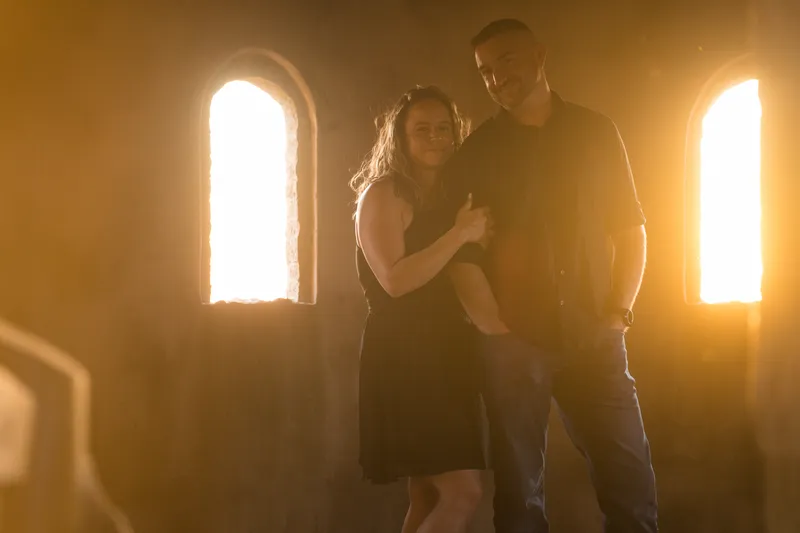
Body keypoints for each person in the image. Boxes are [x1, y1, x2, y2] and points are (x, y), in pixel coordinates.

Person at [439, 19, 659, 533]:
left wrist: (617, 316)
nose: (495, 79)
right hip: (515, 342)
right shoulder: (477, 152)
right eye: (485, 72)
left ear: (540, 56)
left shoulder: (596, 132)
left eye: (506, 62)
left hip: (595, 336)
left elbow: (631, 230)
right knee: (520, 497)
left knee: (631, 485)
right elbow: (463, 256)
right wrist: (496, 331)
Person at [350, 85, 492, 533]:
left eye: (444, 128)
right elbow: (395, 281)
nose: (435, 138)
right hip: (406, 358)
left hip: (447, 354)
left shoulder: (449, 196)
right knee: (463, 493)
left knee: (428, 495)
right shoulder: (384, 194)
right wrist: (460, 233)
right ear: (400, 139)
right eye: (422, 130)